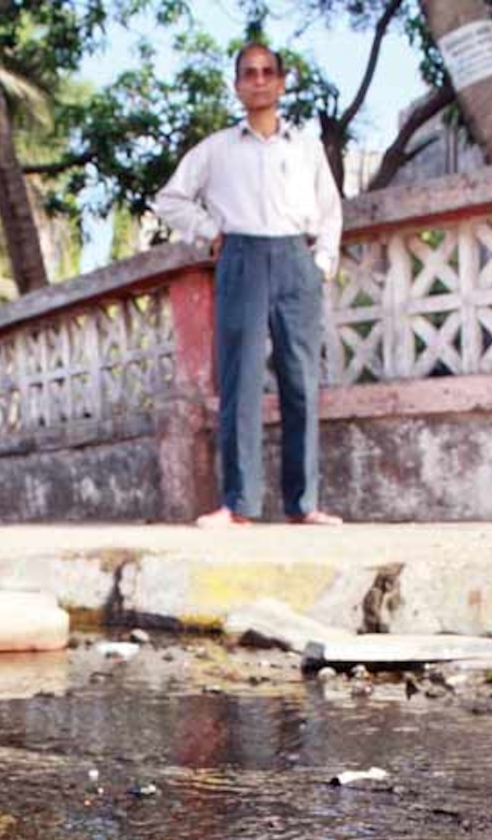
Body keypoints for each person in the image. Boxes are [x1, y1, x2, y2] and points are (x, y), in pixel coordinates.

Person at [154, 42, 344, 528]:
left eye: (267, 73)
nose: (258, 81)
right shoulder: (216, 150)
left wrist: (320, 261)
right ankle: (238, 506)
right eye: (248, 74)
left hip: (294, 259)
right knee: (239, 380)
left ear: (281, 83)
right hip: (240, 256)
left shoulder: (304, 147)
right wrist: (209, 231)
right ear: (237, 86)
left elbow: (329, 209)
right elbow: (170, 199)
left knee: (300, 380)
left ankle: (304, 505)